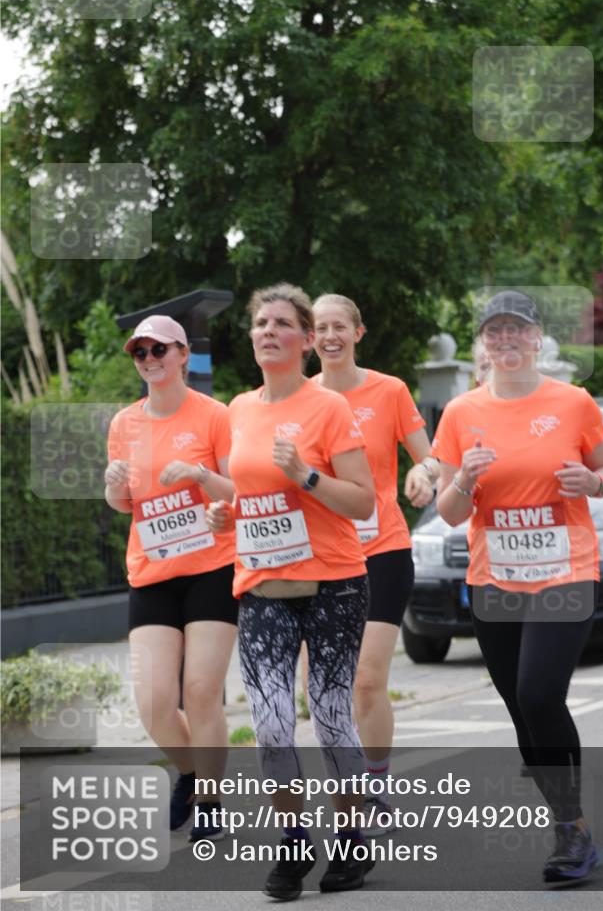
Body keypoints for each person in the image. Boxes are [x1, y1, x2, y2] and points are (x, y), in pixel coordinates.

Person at [432, 290, 603, 884]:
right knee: (523, 712)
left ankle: (572, 829)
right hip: (495, 581)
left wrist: (592, 480)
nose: (506, 340)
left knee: (540, 695)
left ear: (538, 338)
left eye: (517, 330)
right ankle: (567, 820)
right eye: (495, 332)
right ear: (482, 344)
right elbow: (449, 512)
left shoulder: (573, 402)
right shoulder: (461, 413)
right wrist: (463, 478)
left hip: (566, 571)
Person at [207, 283, 377, 900]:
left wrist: (305, 474)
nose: (268, 330)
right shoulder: (238, 409)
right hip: (261, 587)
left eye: (282, 323)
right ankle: (293, 837)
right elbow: (244, 493)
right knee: (272, 721)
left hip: (333, 582)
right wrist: (227, 516)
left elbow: (364, 501)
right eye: (260, 322)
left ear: (307, 340)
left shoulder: (328, 407)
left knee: (331, 718)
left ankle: (355, 836)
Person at [105, 315, 237, 842]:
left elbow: (236, 491)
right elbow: (123, 504)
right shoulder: (123, 424)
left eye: (159, 349)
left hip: (211, 566)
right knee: (156, 702)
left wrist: (201, 476)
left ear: (183, 354)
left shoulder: (215, 416)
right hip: (153, 571)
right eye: (140, 353)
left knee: (201, 690)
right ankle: (189, 771)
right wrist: (113, 484)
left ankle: (210, 800)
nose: (149, 360)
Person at [310, 293, 438, 834]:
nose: (330, 336)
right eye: (320, 328)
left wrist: (424, 473)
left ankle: (377, 780)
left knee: (365, 680)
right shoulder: (295, 399)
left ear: (358, 333)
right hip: (317, 560)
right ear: (309, 338)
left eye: (340, 326)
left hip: (381, 549)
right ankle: (347, 784)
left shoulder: (388, 391)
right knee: (325, 688)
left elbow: (430, 454)